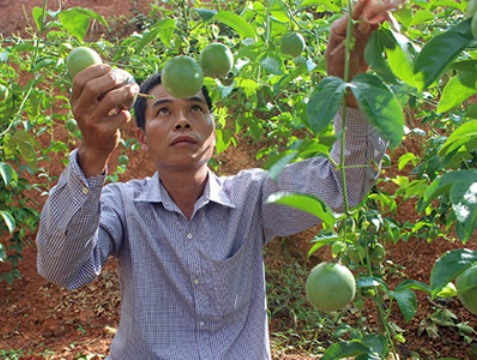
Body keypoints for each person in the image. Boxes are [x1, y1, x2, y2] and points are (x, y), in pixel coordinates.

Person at [36, 1, 400, 359]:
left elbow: (342, 186)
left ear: (213, 131)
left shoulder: (252, 196)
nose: (182, 120)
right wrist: (93, 154)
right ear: (142, 136)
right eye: (164, 110)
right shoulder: (121, 205)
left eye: (196, 108)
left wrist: (351, 92)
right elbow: (62, 268)